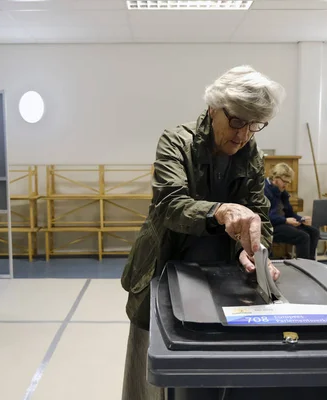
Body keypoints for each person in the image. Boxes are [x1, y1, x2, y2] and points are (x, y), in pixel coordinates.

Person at [120, 65, 286, 400]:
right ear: (213, 109)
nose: (243, 135)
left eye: (255, 125)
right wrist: (219, 211)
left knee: (210, 380)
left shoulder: (252, 155)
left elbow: (261, 218)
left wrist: (252, 248)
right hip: (163, 271)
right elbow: (169, 204)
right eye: (237, 120)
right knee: (151, 379)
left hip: (221, 281)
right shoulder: (175, 142)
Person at [264, 162, 319, 260]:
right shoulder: (265, 189)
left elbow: (289, 213)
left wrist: (301, 219)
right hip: (269, 226)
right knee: (303, 237)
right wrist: (285, 221)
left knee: (313, 232)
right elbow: (266, 216)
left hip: (281, 222)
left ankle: (311, 264)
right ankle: (304, 267)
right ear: (275, 177)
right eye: (284, 182)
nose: (286, 185)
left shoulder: (281, 191)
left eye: (288, 183)